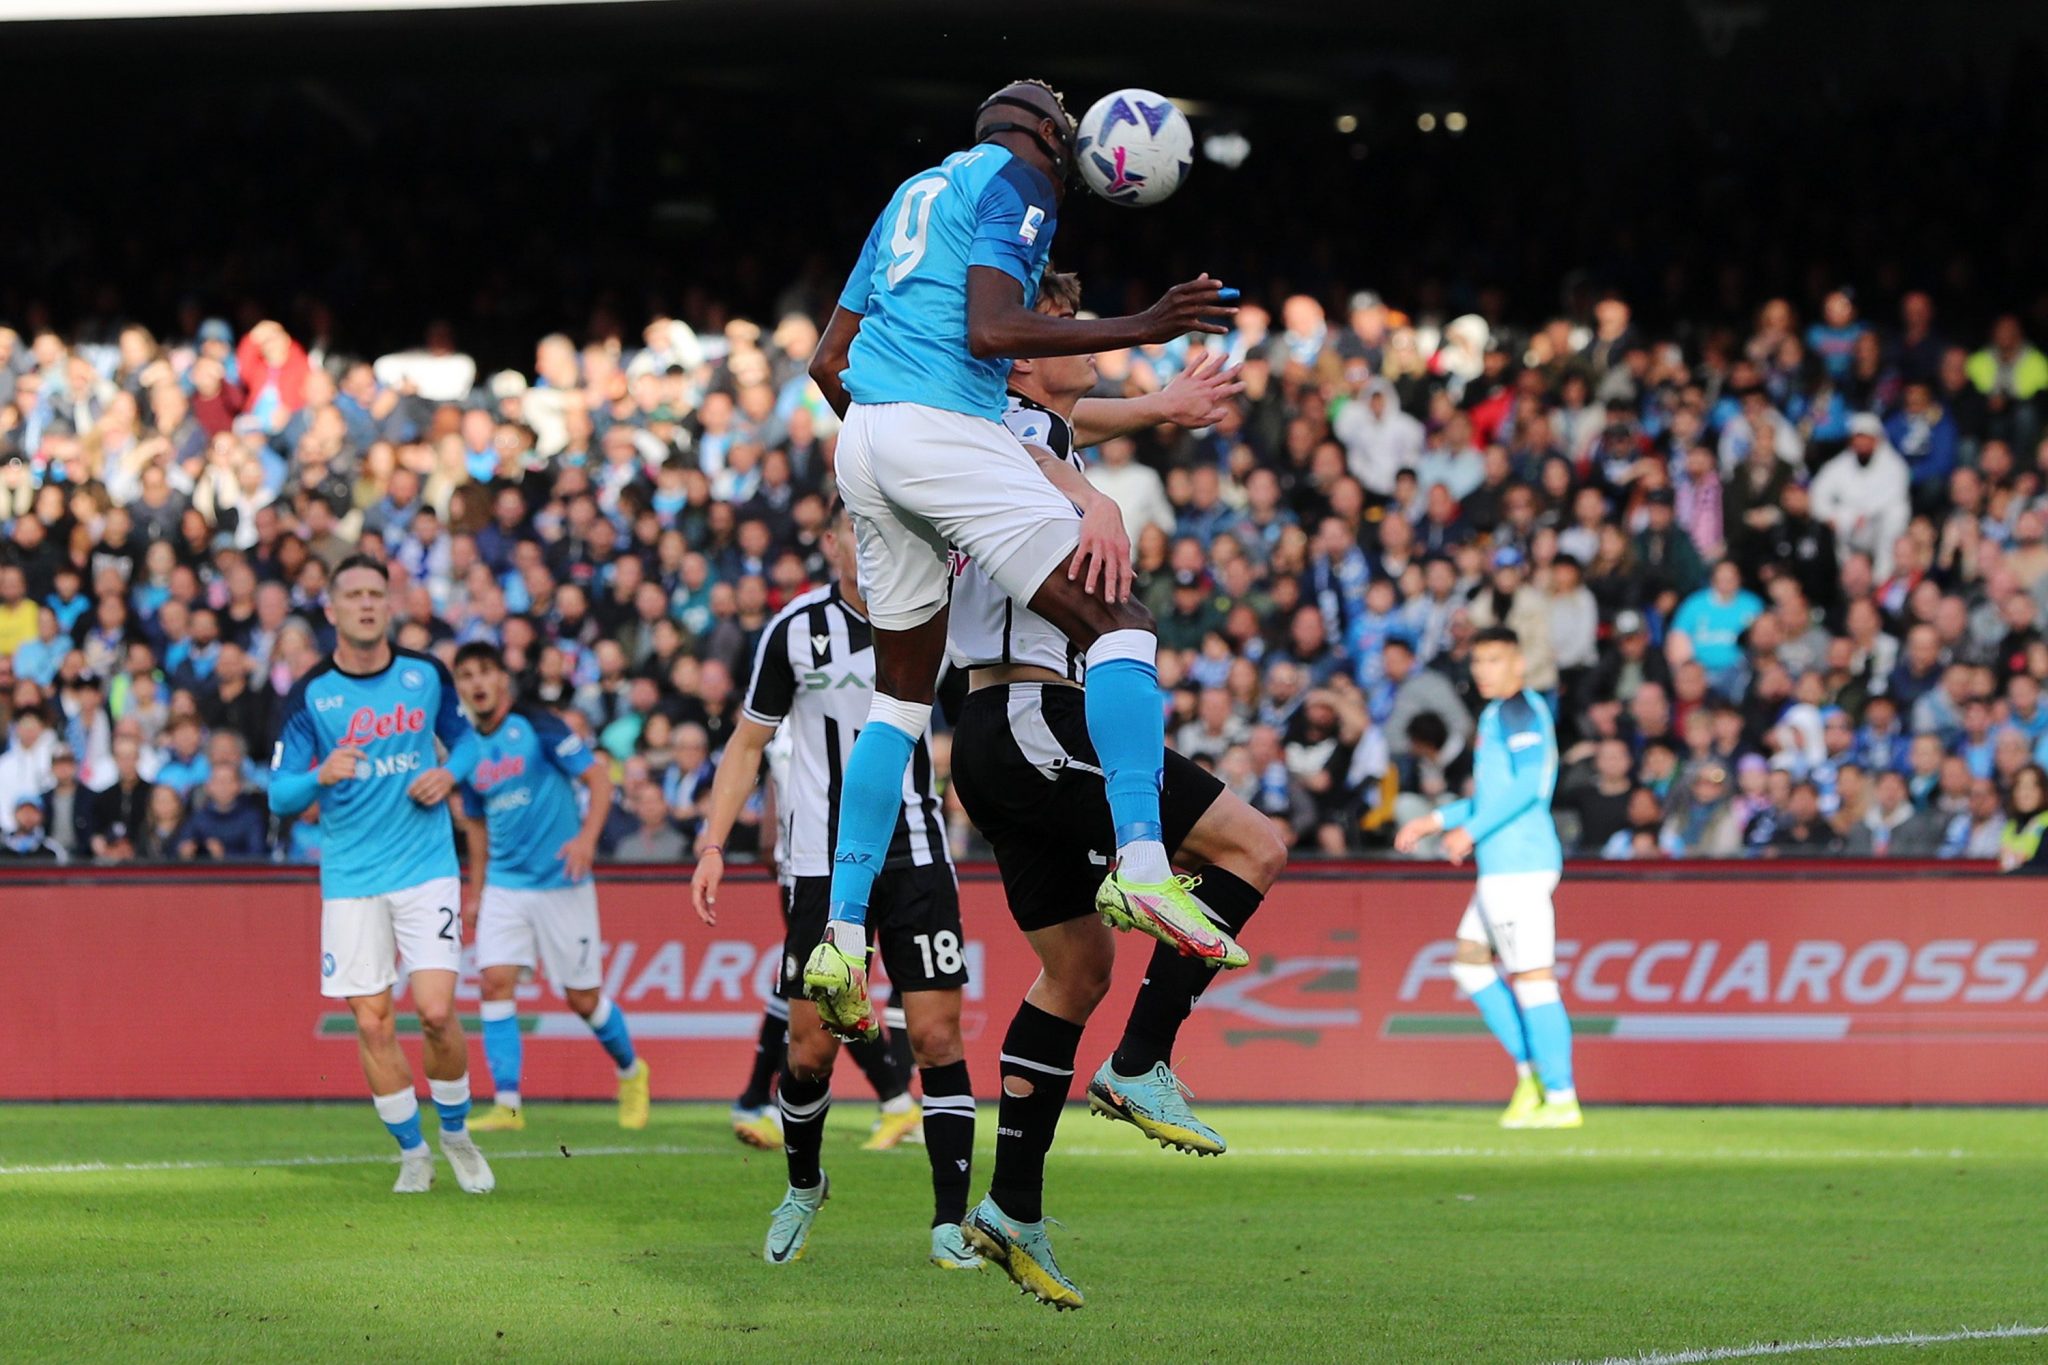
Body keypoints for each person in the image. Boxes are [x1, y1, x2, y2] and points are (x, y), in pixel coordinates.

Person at [802, 79, 1244, 1042]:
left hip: (866, 437)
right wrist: (1143, 324)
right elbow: (994, 333)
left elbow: (826, 361)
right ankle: (1139, 862)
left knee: (901, 702)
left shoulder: (918, 188)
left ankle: (838, 934)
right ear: (1051, 135)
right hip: (931, 429)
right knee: (1119, 623)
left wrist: (903, 468)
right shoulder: (1020, 178)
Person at [943, 271, 1287, 1308]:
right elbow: (1037, 443)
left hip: (997, 734)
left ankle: (1008, 1207)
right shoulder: (1002, 430)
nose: (1087, 347)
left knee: (1073, 971)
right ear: (1021, 356)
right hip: (1031, 717)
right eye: (1062, 333)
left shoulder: (1022, 421)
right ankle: (1141, 1061)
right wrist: (1090, 495)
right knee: (1253, 846)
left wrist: (1153, 410)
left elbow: (1067, 414)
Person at [690, 500, 979, 1271]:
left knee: (935, 1035)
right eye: (852, 525)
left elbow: (974, 725)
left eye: (877, 524)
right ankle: (804, 1185)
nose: (865, 538)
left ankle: (951, 1220)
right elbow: (747, 743)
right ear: (830, 541)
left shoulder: (931, 616)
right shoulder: (793, 630)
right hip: (819, 865)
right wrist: (713, 842)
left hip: (915, 853)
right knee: (810, 1049)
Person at [267, 555, 494, 1196]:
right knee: (372, 1022)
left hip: (425, 867)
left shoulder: (425, 675)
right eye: (354, 595)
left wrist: (450, 773)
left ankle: (455, 1134)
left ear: (388, 605)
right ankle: (413, 1151)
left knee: (436, 1011)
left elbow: (470, 741)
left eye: (376, 593)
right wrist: (319, 776)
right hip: (351, 878)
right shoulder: (310, 694)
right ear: (333, 610)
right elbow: (280, 794)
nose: (367, 604)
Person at [448, 643, 649, 1133]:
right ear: (460, 688)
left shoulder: (538, 725)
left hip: (563, 882)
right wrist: (475, 890)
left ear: (502, 680)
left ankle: (631, 1071)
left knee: (582, 999)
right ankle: (508, 1105)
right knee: (494, 981)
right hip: (505, 886)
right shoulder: (467, 751)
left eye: (486, 672)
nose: (477, 683)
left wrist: (586, 839)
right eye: (467, 675)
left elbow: (599, 780)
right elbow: (475, 826)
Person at [1396, 626, 1579, 1130]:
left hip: (1517, 863)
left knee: (1533, 978)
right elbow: (1497, 793)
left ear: (1518, 664)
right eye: (1478, 661)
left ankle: (1560, 1096)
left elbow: (1528, 787)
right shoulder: (1498, 713)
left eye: (1495, 660)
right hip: (1502, 863)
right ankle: (1531, 1076)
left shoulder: (1520, 709)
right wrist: (1436, 821)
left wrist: (1470, 831)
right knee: (1470, 965)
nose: (1484, 670)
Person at [1997, 764, 2048, 873]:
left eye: (2031, 787)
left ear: (2043, 791)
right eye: (2019, 787)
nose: (2024, 794)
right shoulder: (2010, 825)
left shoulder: (2046, 824)